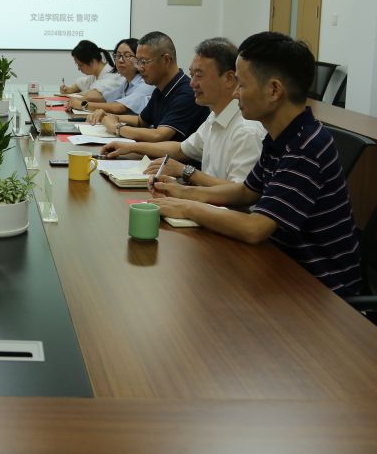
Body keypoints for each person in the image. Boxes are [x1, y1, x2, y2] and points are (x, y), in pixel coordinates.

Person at [151, 31, 362, 295]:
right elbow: (245, 191)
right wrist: (183, 192)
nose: (235, 93)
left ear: (273, 90)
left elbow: (255, 228)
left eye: (241, 85)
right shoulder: (281, 136)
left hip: (320, 288)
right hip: (282, 265)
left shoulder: (306, 146)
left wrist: (187, 208)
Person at [101, 37, 265, 186]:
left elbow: (240, 193)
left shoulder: (246, 130)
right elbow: (181, 149)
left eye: (199, 75)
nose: (192, 83)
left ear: (229, 78)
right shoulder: (214, 117)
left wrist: (185, 171)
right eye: (192, 75)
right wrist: (131, 147)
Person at [86, 31, 209, 142]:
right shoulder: (160, 89)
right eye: (138, 62)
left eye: (144, 62)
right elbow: (141, 121)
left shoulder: (187, 93)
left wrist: (116, 127)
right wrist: (109, 116)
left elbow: (158, 135)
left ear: (166, 60)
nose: (140, 68)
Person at [66, 38, 155, 116]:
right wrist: (74, 101)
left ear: (139, 59)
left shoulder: (146, 83)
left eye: (127, 56)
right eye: (118, 55)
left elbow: (119, 108)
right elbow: (104, 99)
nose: (120, 60)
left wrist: (82, 104)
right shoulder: (126, 83)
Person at [58, 39, 125, 96]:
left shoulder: (112, 78)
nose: (78, 69)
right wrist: (70, 89)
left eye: (80, 65)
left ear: (92, 61)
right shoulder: (96, 75)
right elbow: (82, 83)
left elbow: (92, 95)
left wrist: (81, 94)